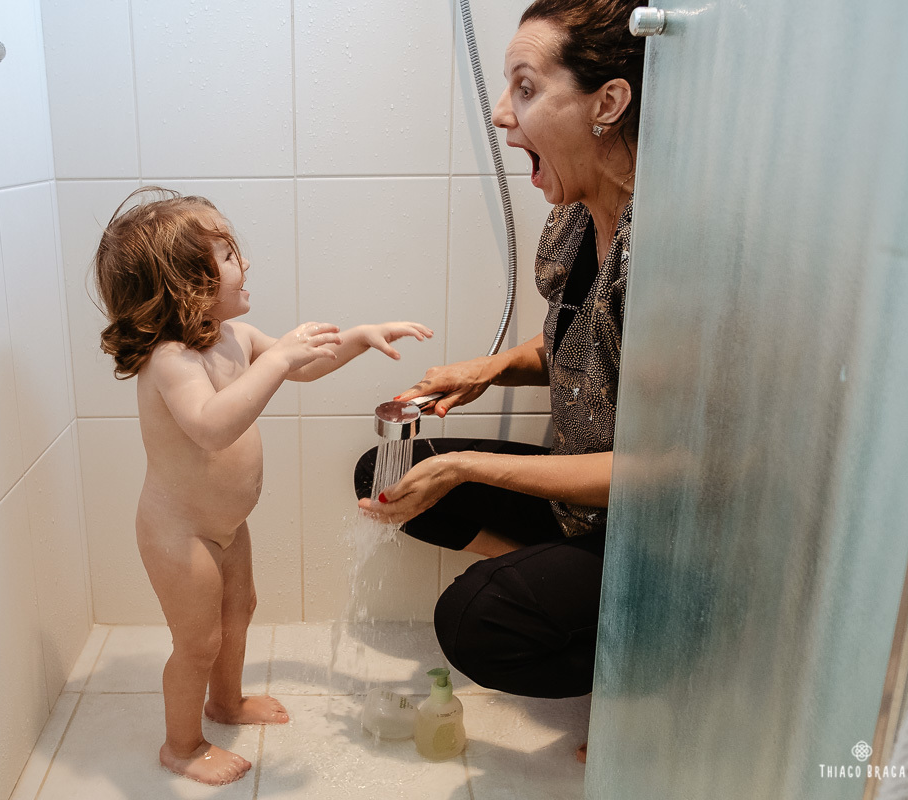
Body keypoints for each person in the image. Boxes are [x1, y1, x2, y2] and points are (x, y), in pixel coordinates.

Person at [354, 0, 645, 764]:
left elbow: (658, 472)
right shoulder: (578, 216)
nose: (498, 113)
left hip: (653, 533)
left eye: (524, 87)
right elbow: (581, 345)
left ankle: (652, 673)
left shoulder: (667, 254)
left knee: (472, 621)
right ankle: (571, 595)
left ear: (607, 103)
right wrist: (492, 369)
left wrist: (467, 465)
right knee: (388, 472)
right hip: (579, 503)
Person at [94, 186, 432, 786]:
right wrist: (275, 362)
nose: (244, 263)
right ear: (186, 284)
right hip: (179, 531)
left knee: (239, 611)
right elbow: (211, 428)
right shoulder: (172, 359)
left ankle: (225, 703)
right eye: (228, 256)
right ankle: (182, 744)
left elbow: (304, 364)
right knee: (198, 641)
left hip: (226, 524)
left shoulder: (232, 337)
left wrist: (359, 335)